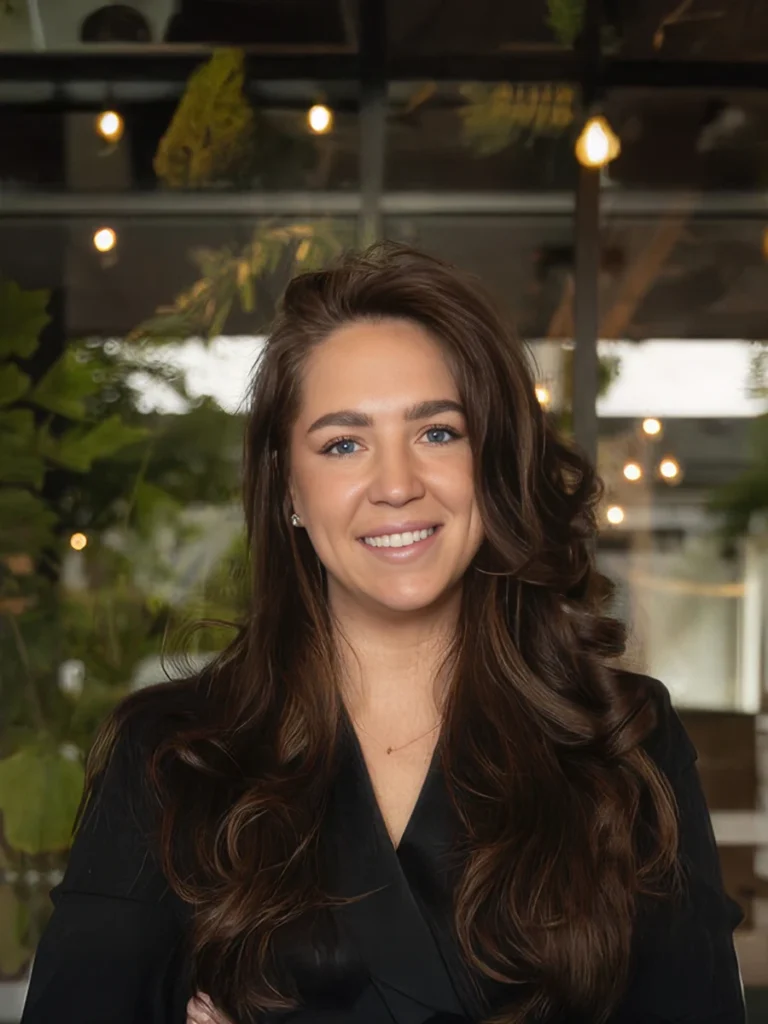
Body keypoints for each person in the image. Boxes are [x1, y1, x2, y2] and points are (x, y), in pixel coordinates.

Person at [21, 242, 746, 1024]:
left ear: (492, 462)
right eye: (343, 444)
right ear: (289, 487)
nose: (398, 484)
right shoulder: (173, 754)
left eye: (438, 433)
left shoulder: (622, 739)